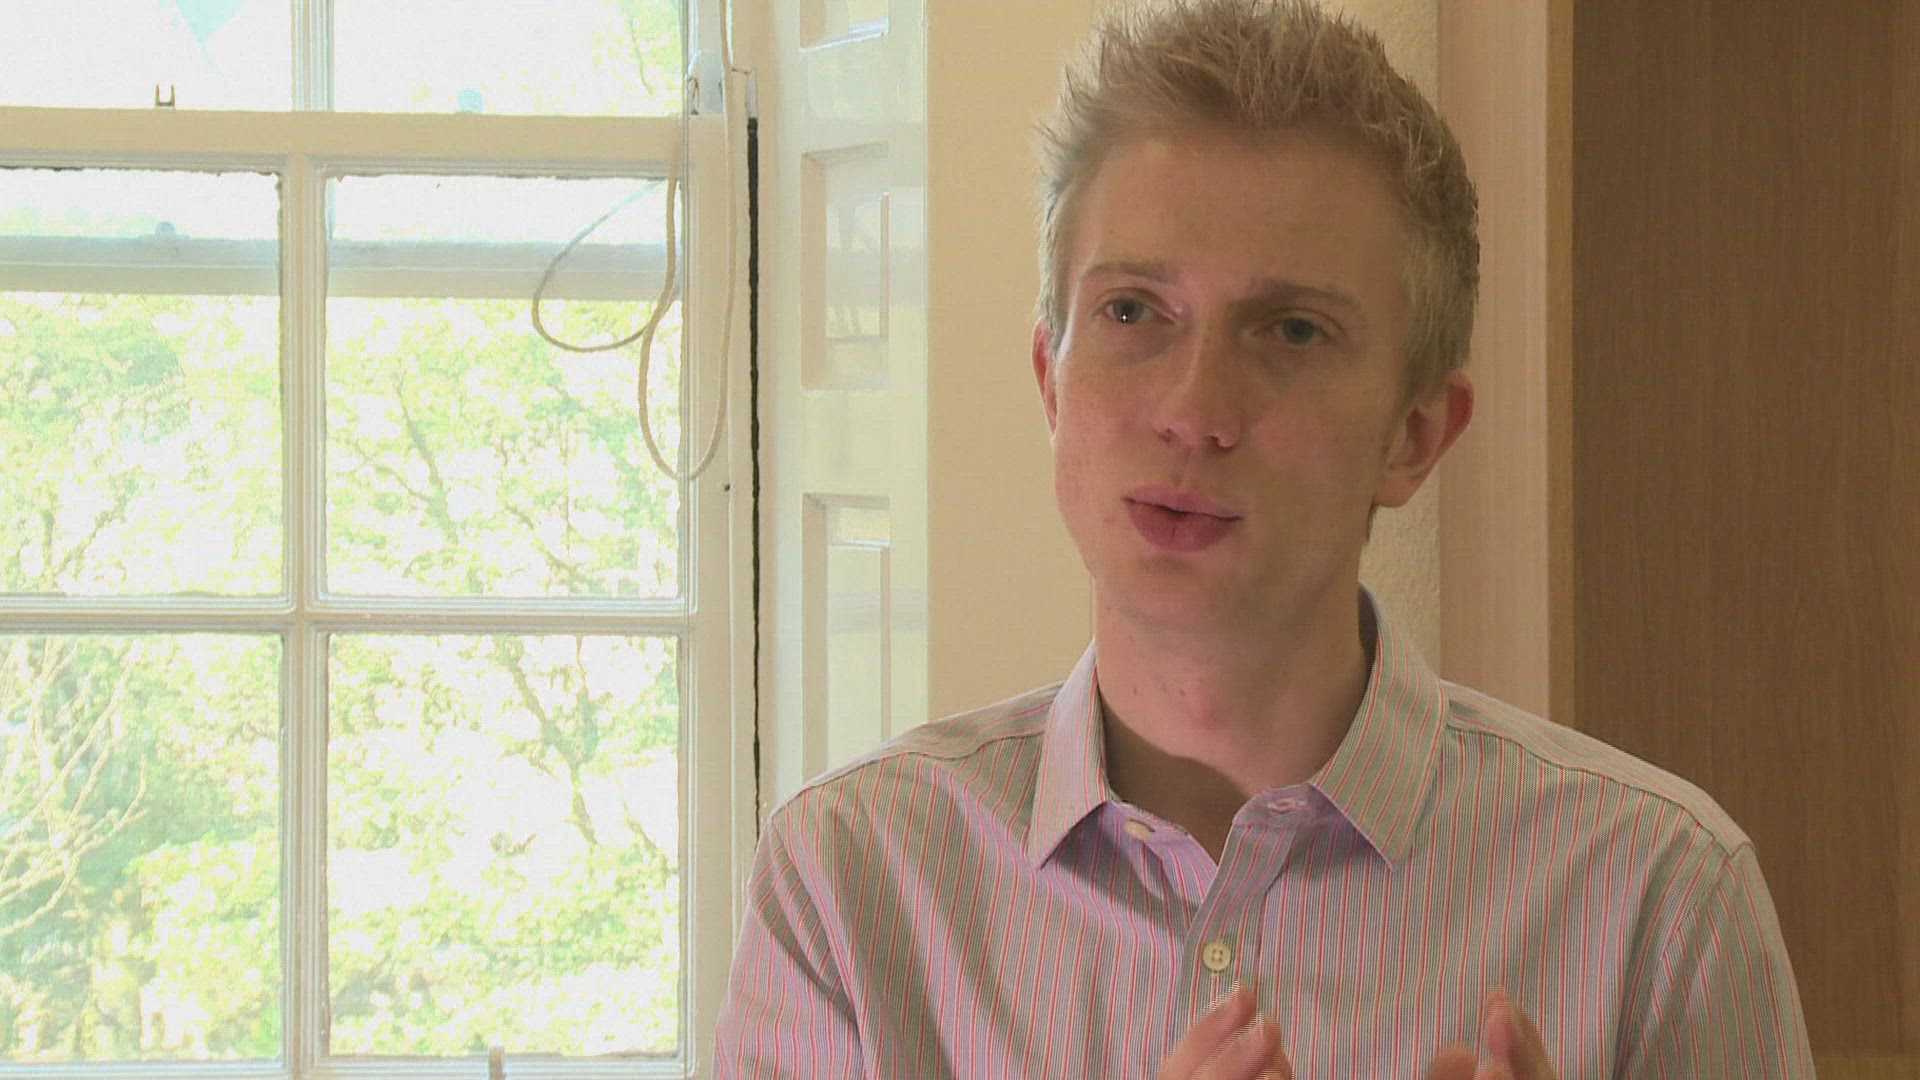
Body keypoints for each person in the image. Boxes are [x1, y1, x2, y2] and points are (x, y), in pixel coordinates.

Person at [714, 0, 1815, 1076]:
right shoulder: (850, 885)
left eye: (1291, 330)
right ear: (1052, 378)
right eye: (1133, 311)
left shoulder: (1658, 898)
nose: (1194, 410)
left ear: (1415, 435)